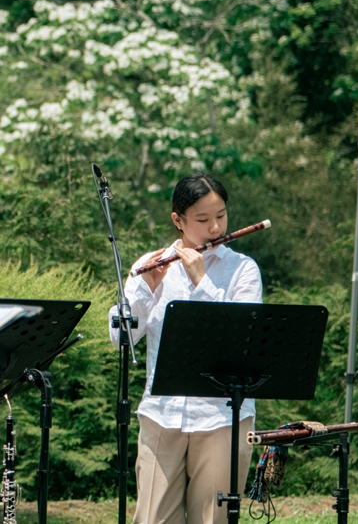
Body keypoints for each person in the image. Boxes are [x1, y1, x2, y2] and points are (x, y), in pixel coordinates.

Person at [109, 173, 262, 524]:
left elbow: (240, 339)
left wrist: (201, 281)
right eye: (203, 219)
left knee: (213, 519)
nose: (215, 228)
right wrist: (146, 288)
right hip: (162, 412)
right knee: (153, 518)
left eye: (221, 215)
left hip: (223, 414)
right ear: (177, 220)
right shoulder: (150, 265)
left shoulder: (243, 270)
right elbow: (121, 338)